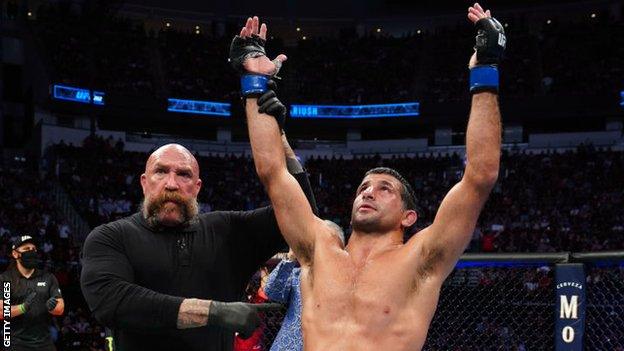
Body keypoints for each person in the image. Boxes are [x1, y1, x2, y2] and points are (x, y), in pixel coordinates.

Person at [233, 3, 504, 350]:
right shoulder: (318, 249)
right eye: (363, 187)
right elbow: (272, 172)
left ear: (409, 217)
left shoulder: (422, 257)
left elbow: (480, 175)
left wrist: (485, 72)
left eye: (384, 188)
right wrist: (254, 82)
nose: (368, 193)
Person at [80, 132, 317, 351]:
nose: (171, 184)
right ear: (144, 182)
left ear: (197, 187)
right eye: (161, 171)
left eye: (183, 174)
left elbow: (300, 215)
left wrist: (280, 140)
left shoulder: (227, 230)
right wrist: (214, 312)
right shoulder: (111, 237)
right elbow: (112, 302)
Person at [0, 235, 65, 351]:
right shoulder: (6, 279)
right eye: (26, 249)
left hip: (44, 343)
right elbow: (1, 312)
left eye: (33, 249)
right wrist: (23, 307)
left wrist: (52, 307)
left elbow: (60, 308)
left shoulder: (48, 277)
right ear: (15, 254)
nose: (31, 252)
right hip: (15, 343)